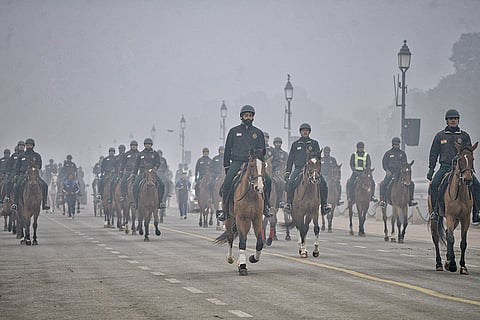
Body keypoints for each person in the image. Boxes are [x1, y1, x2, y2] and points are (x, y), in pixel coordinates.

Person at [217, 104, 272, 221]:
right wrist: (227, 166)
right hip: (237, 162)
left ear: (253, 118)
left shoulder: (258, 133)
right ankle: (225, 210)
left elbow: (262, 151)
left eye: (250, 116)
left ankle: (266, 205)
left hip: (252, 163)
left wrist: (257, 162)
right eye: (246, 115)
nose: (248, 118)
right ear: (241, 117)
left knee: (269, 181)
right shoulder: (233, 131)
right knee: (227, 184)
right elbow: (227, 149)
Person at [428, 109, 480, 223]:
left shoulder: (464, 135)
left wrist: (470, 169)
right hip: (445, 166)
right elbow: (433, 153)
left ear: (458, 120)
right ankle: (435, 212)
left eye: (455, 119)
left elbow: (469, 153)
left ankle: (477, 212)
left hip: (461, 168)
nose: (453, 121)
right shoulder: (440, 135)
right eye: (451, 119)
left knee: (477, 185)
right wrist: (431, 169)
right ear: (447, 121)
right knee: (435, 184)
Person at [284, 123, 331, 215]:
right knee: (290, 183)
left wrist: (317, 169)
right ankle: (289, 204)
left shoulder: (314, 143)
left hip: (312, 169)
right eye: (303, 130)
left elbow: (318, 158)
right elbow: (290, 159)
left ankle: (324, 206)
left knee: (324, 184)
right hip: (299, 169)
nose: (305, 132)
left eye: (307, 130)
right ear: (300, 132)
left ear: (309, 132)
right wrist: (288, 171)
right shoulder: (295, 144)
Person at [379, 137, 417, 208]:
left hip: (400, 174)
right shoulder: (388, 153)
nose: (396, 146)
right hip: (390, 173)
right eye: (395, 144)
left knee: (411, 184)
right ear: (392, 144)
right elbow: (384, 163)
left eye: (397, 144)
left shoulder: (402, 154)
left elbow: (405, 164)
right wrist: (387, 171)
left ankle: (411, 200)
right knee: (384, 184)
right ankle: (383, 201)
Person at [13, 138, 50, 210]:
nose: (29, 146)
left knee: (45, 185)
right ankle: (15, 203)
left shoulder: (37, 155)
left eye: (30, 145)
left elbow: (40, 165)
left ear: (33, 146)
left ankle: (44, 203)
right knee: (17, 186)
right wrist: (17, 174)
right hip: (23, 174)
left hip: (34, 175)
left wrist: (36, 167)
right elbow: (17, 166)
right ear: (25, 146)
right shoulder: (21, 155)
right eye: (27, 145)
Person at [132, 138, 166, 209]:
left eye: (149, 144)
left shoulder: (155, 154)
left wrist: (155, 168)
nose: (148, 145)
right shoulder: (140, 154)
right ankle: (136, 202)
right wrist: (134, 173)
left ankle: (160, 201)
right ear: (144, 145)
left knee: (162, 184)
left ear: (151, 145)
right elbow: (137, 165)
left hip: (152, 173)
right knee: (135, 185)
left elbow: (158, 162)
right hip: (142, 173)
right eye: (146, 144)